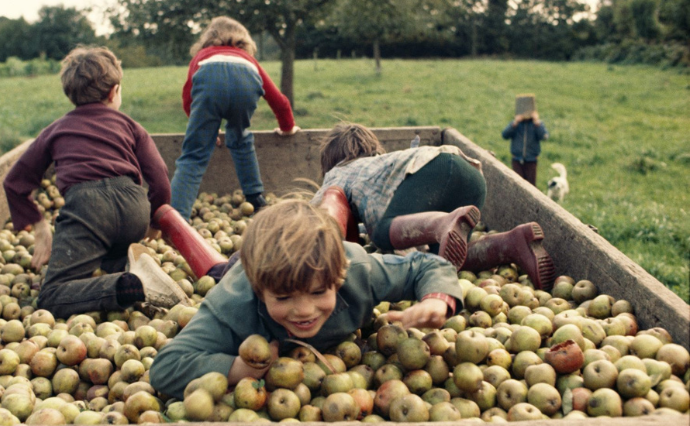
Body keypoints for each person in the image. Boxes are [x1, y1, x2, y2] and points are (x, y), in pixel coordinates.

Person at [148, 200, 462, 399]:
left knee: (329, 215)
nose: (304, 311)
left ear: (338, 278)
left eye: (318, 292)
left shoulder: (358, 272)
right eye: (284, 298)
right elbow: (165, 368)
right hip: (237, 270)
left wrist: (436, 300)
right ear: (259, 291)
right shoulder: (233, 306)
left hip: (313, 261)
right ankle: (169, 217)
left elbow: (425, 266)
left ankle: (336, 193)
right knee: (214, 268)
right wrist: (237, 369)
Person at [3, 46, 188, 319]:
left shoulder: (55, 130)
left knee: (51, 295)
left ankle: (125, 286)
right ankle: (129, 268)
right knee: (108, 254)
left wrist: (40, 227)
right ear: (114, 92)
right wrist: (153, 222)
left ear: (70, 94)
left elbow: (14, 183)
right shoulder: (131, 126)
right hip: (133, 206)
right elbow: (160, 177)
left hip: (87, 209)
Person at [311, 122, 555, 290]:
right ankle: (511, 244)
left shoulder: (338, 172)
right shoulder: (385, 167)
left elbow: (319, 214)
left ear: (331, 162)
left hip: (432, 171)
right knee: (446, 260)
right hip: (468, 173)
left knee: (382, 232)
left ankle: (442, 224)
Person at [170, 16, 301, 220]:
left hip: (209, 82)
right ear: (244, 40)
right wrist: (287, 127)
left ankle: (177, 218)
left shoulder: (202, 56)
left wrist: (204, 129)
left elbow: (188, 98)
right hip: (245, 84)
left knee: (194, 156)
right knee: (240, 138)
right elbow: (279, 101)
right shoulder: (248, 60)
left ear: (209, 38)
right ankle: (255, 198)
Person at [502, 110, 549, 186]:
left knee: (531, 185)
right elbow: (505, 135)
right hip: (517, 159)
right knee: (517, 184)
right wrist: (515, 122)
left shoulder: (535, 125)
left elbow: (544, 137)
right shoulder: (516, 124)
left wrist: (537, 122)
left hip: (531, 160)